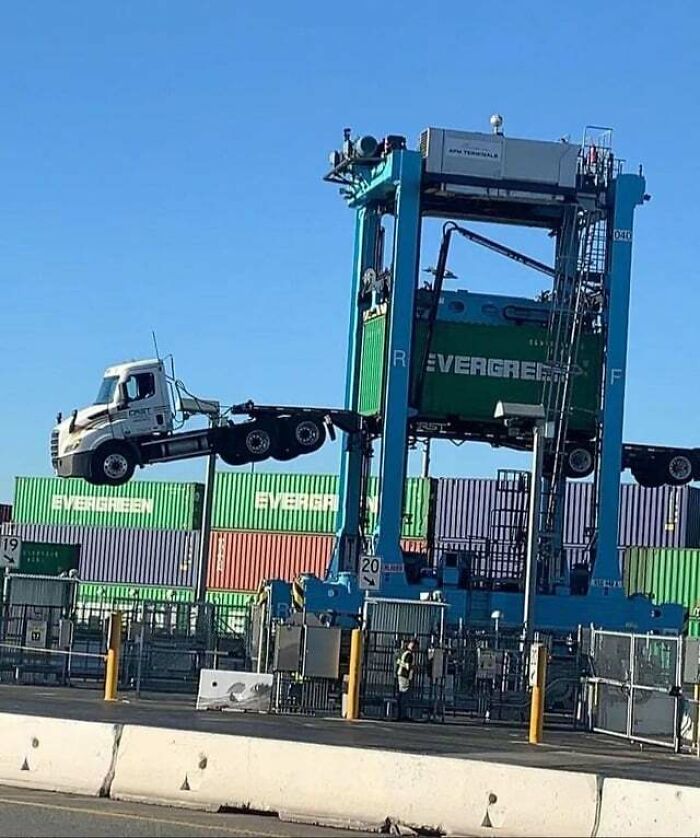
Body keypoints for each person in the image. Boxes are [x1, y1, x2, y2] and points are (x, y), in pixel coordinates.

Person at [395, 637, 418, 721]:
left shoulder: (403, 652)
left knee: (401, 696)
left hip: (400, 674)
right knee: (404, 696)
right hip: (405, 676)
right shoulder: (409, 654)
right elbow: (408, 666)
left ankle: (401, 714)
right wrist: (415, 667)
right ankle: (403, 715)